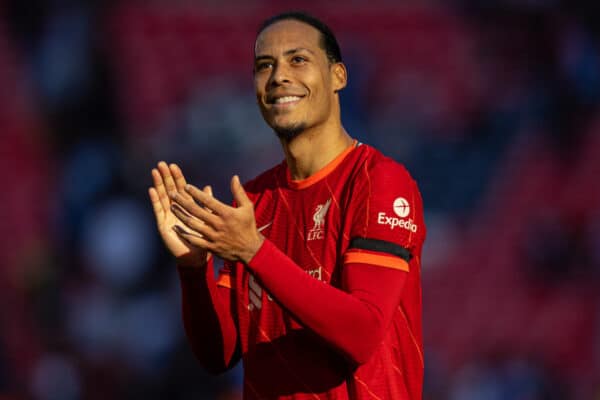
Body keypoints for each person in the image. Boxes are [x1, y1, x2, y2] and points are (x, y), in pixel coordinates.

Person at [149, 11, 426, 399]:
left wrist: (253, 250)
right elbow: (220, 354)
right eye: (265, 65)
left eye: (298, 59)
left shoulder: (379, 180)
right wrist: (193, 270)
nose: (279, 75)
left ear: (338, 77)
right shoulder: (254, 202)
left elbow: (362, 332)